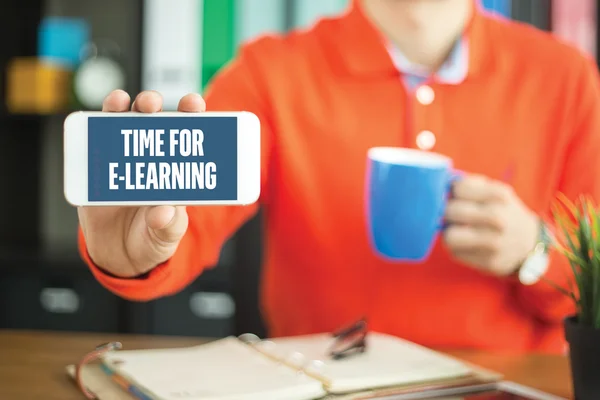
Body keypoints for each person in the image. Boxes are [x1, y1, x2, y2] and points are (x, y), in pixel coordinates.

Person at [77, 0, 600, 354]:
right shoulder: (269, 72)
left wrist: (535, 252)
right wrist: (135, 254)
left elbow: (591, 284)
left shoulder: (568, 79)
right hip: (324, 382)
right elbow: (188, 223)